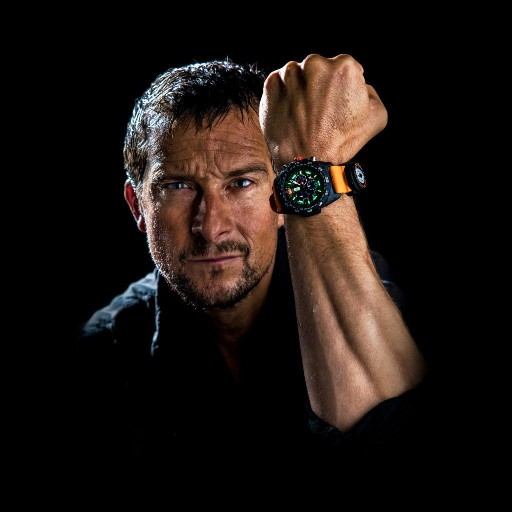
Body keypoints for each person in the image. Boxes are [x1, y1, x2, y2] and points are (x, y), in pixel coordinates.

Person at [75, 53, 439, 489]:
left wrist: (314, 159)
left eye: (241, 183)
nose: (211, 227)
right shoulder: (104, 353)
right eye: (178, 186)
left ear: (282, 196)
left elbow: (399, 451)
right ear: (138, 207)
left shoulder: (368, 292)